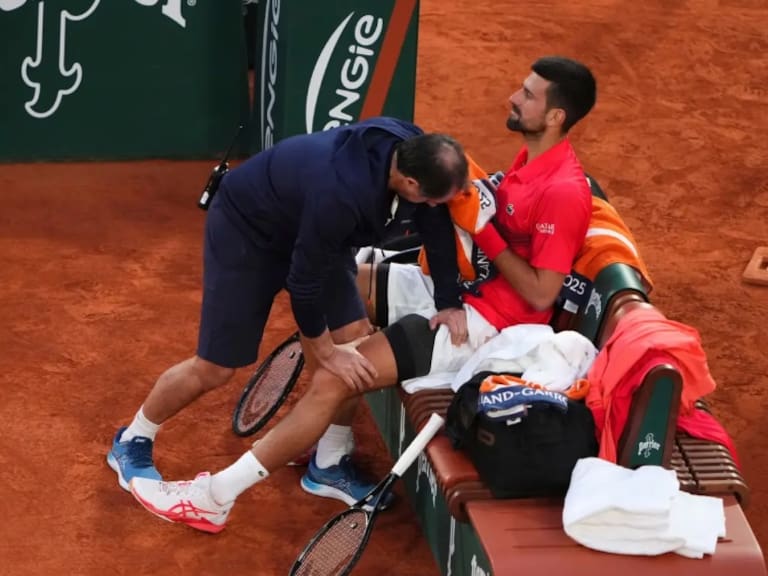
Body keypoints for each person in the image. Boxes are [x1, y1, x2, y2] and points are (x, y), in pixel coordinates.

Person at [128, 56, 598, 534]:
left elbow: (540, 293)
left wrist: (459, 278)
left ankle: (216, 497)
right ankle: (322, 455)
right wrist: (325, 346)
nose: (513, 98)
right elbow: (308, 279)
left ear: (556, 116)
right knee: (332, 328)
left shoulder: (559, 189)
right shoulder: (519, 162)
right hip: (257, 232)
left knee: (337, 375)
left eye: (528, 94)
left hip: (489, 322)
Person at [107, 116, 470, 505]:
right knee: (215, 369)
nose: (437, 207)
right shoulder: (341, 193)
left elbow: (435, 223)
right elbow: (303, 284)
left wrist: (448, 301)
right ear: (410, 183)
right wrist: (326, 352)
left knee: (356, 343)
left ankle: (329, 463)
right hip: (248, 233)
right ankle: (133, 439)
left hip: (315, 232)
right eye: (433, 198)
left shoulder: (413, 149)